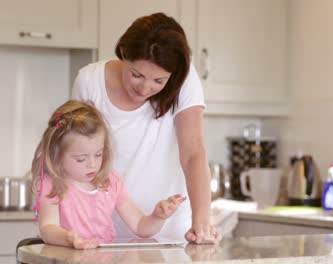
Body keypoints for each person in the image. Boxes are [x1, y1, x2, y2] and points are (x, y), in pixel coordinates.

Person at [72, 12, 222, 244]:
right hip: (101, 232)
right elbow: (75, 156)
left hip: (169, 232)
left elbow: (193, 153)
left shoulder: (184, 80)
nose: (144, 88)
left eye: (158, 81)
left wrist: (202, 222)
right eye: (137, 74)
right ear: (124, 52)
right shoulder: (90, 81)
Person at [32, 100, 186, 249]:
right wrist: (70, 239)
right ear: (57, 155)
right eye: (81, 159)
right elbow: (47, 228)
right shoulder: (52, 184)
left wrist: (157, 217)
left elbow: (140, 225)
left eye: (98, 154)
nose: (92, 164)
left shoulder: (111, 182)